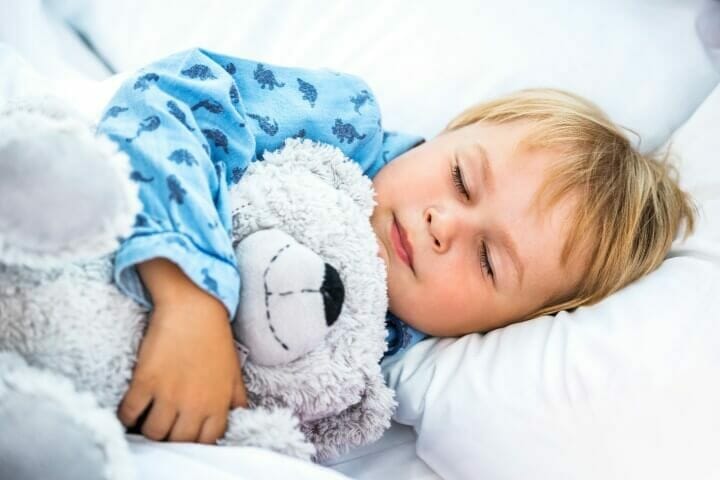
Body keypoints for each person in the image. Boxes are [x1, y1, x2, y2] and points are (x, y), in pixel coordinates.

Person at [96, 48, 695, 446]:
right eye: (461, 179)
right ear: (454, 131)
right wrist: (190, 296)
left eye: (488, 260)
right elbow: (170, 99)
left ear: (514, 323)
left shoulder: (386, 362)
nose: (444, 224)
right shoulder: (338, 125)